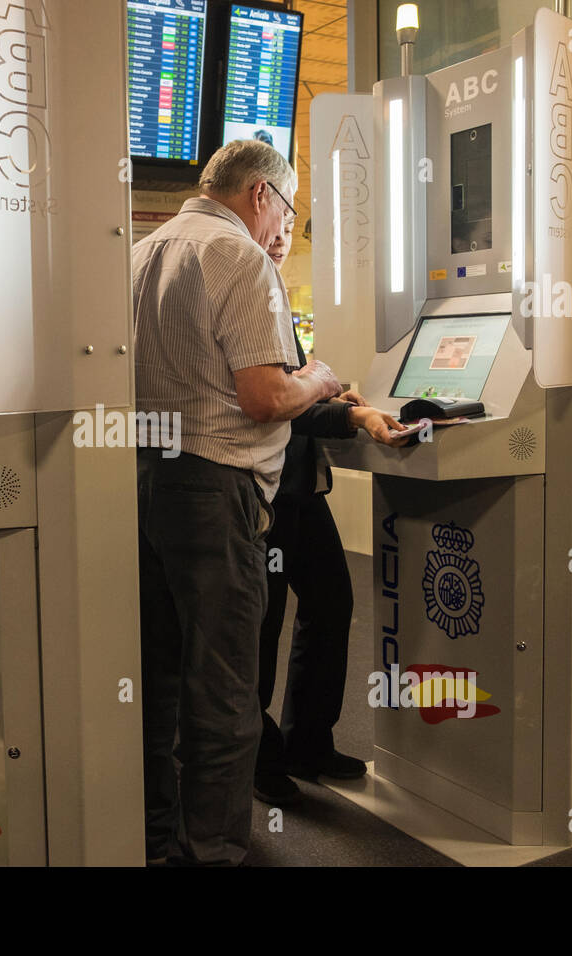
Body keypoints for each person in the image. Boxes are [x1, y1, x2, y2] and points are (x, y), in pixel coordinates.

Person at [133, 139, 402, 866]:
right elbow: (264, 396)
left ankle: (160, 845)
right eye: (285, 207)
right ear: (261, 196)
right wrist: (319, 377)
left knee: (159, 684)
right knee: (224, 691)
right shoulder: (238, 257)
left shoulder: (143, 251)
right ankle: (215, 851)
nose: (284, 224)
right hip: (217, 492)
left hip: (143, 484)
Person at [255, 217, 399, 806]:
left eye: (291, 227)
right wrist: (348, 414)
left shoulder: (270, 293)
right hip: (264, 493)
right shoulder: (247, 288)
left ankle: (307, 743)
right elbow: (274, 403)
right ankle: (259, 761)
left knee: (330, 604)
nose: (284, 235)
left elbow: (292, 389)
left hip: (301, 491)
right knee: (260, 630)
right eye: (277, 221)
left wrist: (328, 394)